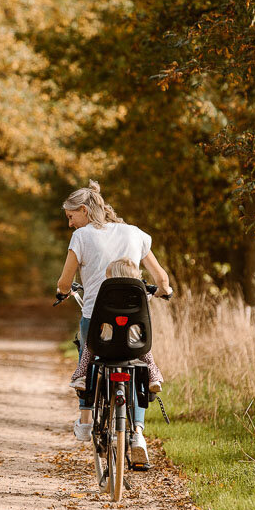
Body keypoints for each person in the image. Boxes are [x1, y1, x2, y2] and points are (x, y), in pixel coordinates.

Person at [56, 181, 172, 467]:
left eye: (71, 216)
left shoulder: (82, 237)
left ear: (84, 210)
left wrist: (63, 291)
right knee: (137, 366)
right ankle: (138, 436)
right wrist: (163, 291)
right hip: (135, 321)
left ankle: (85, 422)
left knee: (88, 358)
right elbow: (162, 279)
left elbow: (63, 281)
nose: (71, 224)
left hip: (97, 318)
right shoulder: (134, 233)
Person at [70, 257, 164, 392]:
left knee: (88, 346)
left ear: (112, 278)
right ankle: (153, 379)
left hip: (105, 343)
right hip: (134, 343)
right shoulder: (139, 296)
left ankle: (81, 377)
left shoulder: (104, 295)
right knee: (147, 355)